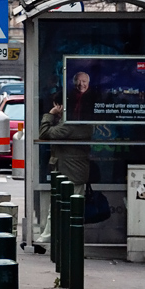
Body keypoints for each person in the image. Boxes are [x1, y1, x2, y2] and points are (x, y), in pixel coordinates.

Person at [32, 96, 93, 253]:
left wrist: (50, 114)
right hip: (69, 171)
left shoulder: (70, 125)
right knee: (61, 208)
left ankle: (47, 240)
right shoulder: (75, 122)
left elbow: (44, 133)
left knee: (65, 209)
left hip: (71, 172)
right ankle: (49, 240)